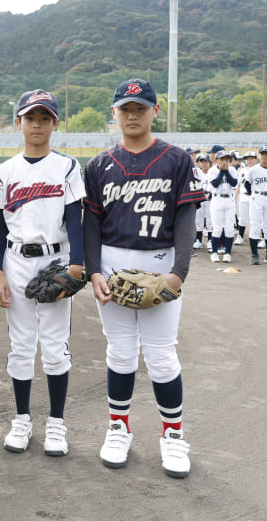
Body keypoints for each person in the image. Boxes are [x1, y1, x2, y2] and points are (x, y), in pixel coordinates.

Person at [83, 79, 204, 478]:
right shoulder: (99, 164)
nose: (132, 114)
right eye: (125, 108)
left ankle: (173, 435)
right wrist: (94, 271)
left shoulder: (176, 158)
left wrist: (178, 273)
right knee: (119, 351)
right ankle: (119, 428)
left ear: (155, 111)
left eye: (141, 107)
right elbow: (91, 225)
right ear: (114, 113)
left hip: (161, 260)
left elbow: (186, 218)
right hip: (113, 261)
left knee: (161, 354)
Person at [0, 90, 85, 455]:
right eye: (30, 117)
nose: (37, 124)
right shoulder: (5, 171)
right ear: (18, 123)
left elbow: (76, 219)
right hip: (16, 261)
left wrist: (77, 266)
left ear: (55, 123)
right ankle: (22, 419)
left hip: (56, 260)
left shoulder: (68, 166)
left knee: (55, 348)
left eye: (44, 118)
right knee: (21, 346)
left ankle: (56, 423)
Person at [244, 146, 267, 265]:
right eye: (263, 154)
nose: (265, 156)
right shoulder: (253, 169)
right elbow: (247, 184)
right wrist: (254, 194)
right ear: (260, 155)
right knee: (255, 226)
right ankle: (254, 255)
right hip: (257, 197)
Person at [207, 150, 238, 263]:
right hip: (217, 199)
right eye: (222, 159)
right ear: (217, 160)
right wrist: (222, 171)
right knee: (217, 228)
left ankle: (227, 253)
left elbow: (234, 183)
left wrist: (226, 171)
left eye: (226, 159)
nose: (225, 161)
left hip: (229, 199)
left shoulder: (232, 169)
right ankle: (214, 253)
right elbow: (215, 183)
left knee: (229, 228)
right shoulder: (212, 170)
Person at [235, 151, 257, 245]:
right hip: (243, 196)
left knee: (255, 218)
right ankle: (240, 236)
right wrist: (235, 198)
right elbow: (239, 185)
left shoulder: (258, 170)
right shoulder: (242, 170)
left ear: (256, 160)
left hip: (254, 196)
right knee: (242, 218)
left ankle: (255, 236)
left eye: (251, 158)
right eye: (247, 159)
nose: (249, 160)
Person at [193, 153, 213, 252]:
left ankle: (210, 240)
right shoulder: (197, 172)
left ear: (210, 163)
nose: (204, 164)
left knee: (210, 219)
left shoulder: (213, 172)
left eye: (206, 162)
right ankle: (198, 240)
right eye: (202, 162)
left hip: (210, 198)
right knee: (198, 219)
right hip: (200, 197)